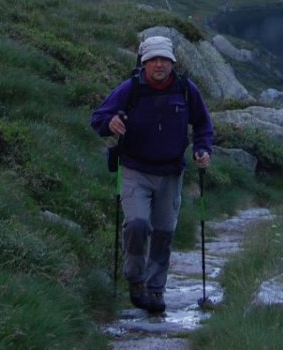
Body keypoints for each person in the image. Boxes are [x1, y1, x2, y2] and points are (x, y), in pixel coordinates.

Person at [91, 34, 214, 314]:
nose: (159, 65)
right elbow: (98, 118)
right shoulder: (130, 89)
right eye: (153, 60)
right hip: (135, 169)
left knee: (164, 232)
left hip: (171, 172)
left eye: (164, 60)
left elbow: (204, 125)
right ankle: (136, 280)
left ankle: (155, 290)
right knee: (136, 224)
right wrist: (109, 123)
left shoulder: (185, 89)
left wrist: (203, 150)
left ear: (172, 62)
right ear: (144, 63)